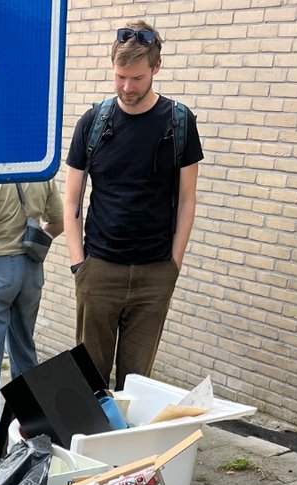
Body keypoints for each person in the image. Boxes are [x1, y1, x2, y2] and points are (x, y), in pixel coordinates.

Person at [63, 21, 203, 389]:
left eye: (137, 78)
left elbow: (187, 200)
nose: (127, 87)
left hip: (155, 273)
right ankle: (93, 430)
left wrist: (173, 265)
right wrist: (79, 263)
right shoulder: (93, 123)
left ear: (157, 67)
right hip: (99, 269)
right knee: (89, 384)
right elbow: (72, 197)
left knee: (138, 386)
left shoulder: (180, 123)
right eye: (120, 77)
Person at [0, 181, 64, 447]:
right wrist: (32, 238)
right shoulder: (42, 175)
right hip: (31, 269)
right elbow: (57, 224)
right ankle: (29, 421)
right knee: (24, 346)